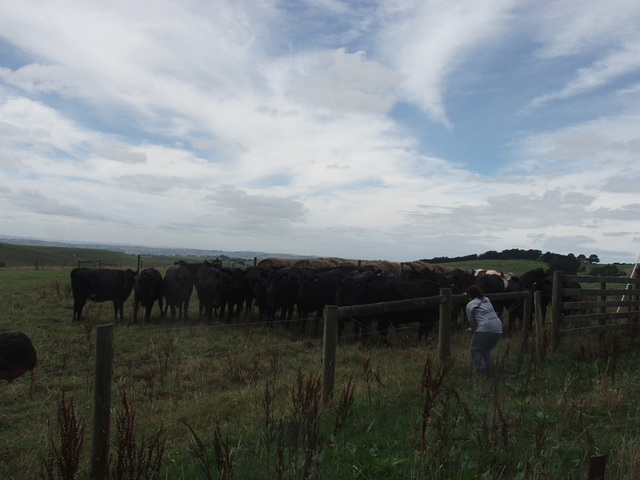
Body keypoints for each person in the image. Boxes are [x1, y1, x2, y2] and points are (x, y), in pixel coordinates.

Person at [465, 285, 502, 376]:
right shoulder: (486, 299)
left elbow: (472, 322)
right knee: (486, 350)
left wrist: (473, 330)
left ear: (469, 295)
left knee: (475, 349)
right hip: (498, 328)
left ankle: (481, 372)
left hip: (485, 328)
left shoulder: (470, 305)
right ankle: (490, 373)